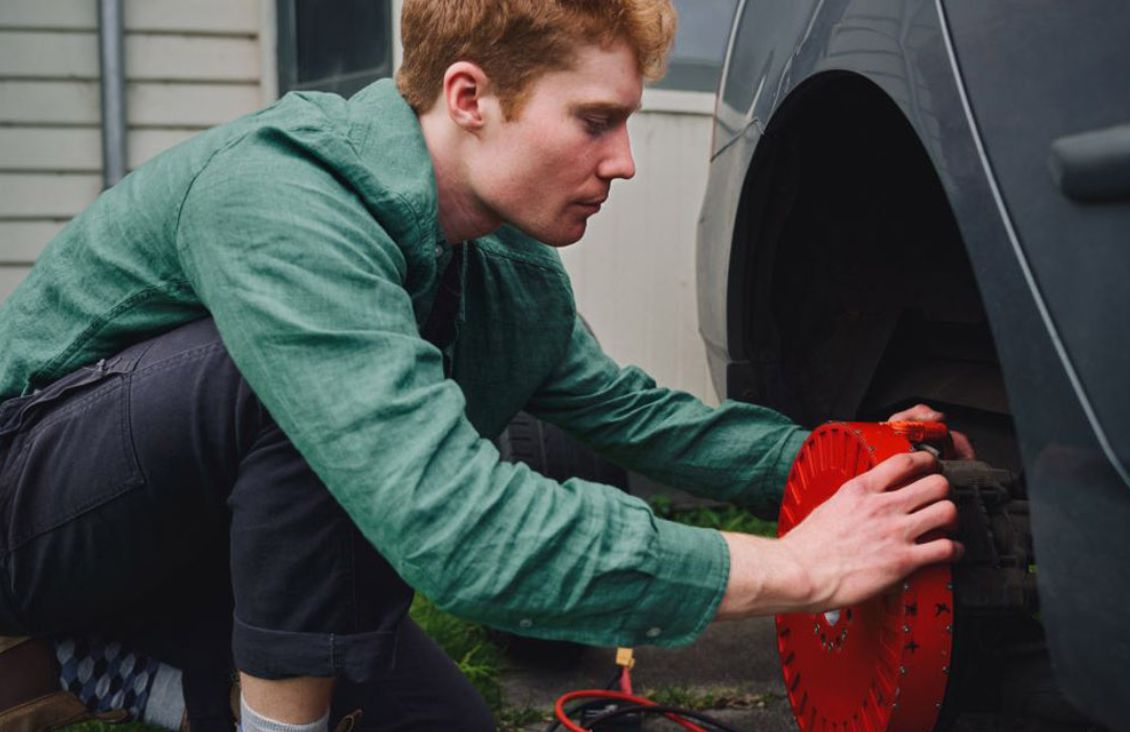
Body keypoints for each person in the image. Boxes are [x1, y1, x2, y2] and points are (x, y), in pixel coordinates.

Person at [0, 1, 966, 730]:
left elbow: (638, 416)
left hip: (213, 550)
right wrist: (791, 568)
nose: (624, 162)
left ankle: (134, 655)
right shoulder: (282, 202)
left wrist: (852, 463)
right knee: (287, 383)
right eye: (595, 121)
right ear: (470, 98)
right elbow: (452, 523)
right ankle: (170, 665)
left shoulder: (507, 268)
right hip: (37, 515)